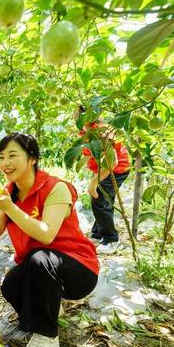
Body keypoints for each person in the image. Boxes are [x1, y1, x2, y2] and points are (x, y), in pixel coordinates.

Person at [0, 133, 99, 347]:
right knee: (10, 285)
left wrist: (9, 207)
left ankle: (48, 338)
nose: (5, 163)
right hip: (41, 266)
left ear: (32, 158)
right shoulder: (8, 192)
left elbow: (47, 235)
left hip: (78, 268)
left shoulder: (56, 188)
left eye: (12, 155)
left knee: (40, 259)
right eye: (1, 157)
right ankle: (49, 310)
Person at [75, 106, 131, 254]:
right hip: (106, 170)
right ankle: (98, 232)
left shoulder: (103, 132)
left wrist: (94, 183)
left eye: (76, 114)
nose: (74, 116)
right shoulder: (87, 131)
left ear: (86, 117)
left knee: (99, 201)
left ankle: (111, 239)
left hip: (116, 171)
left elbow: (112, 163)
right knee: (103, 201)